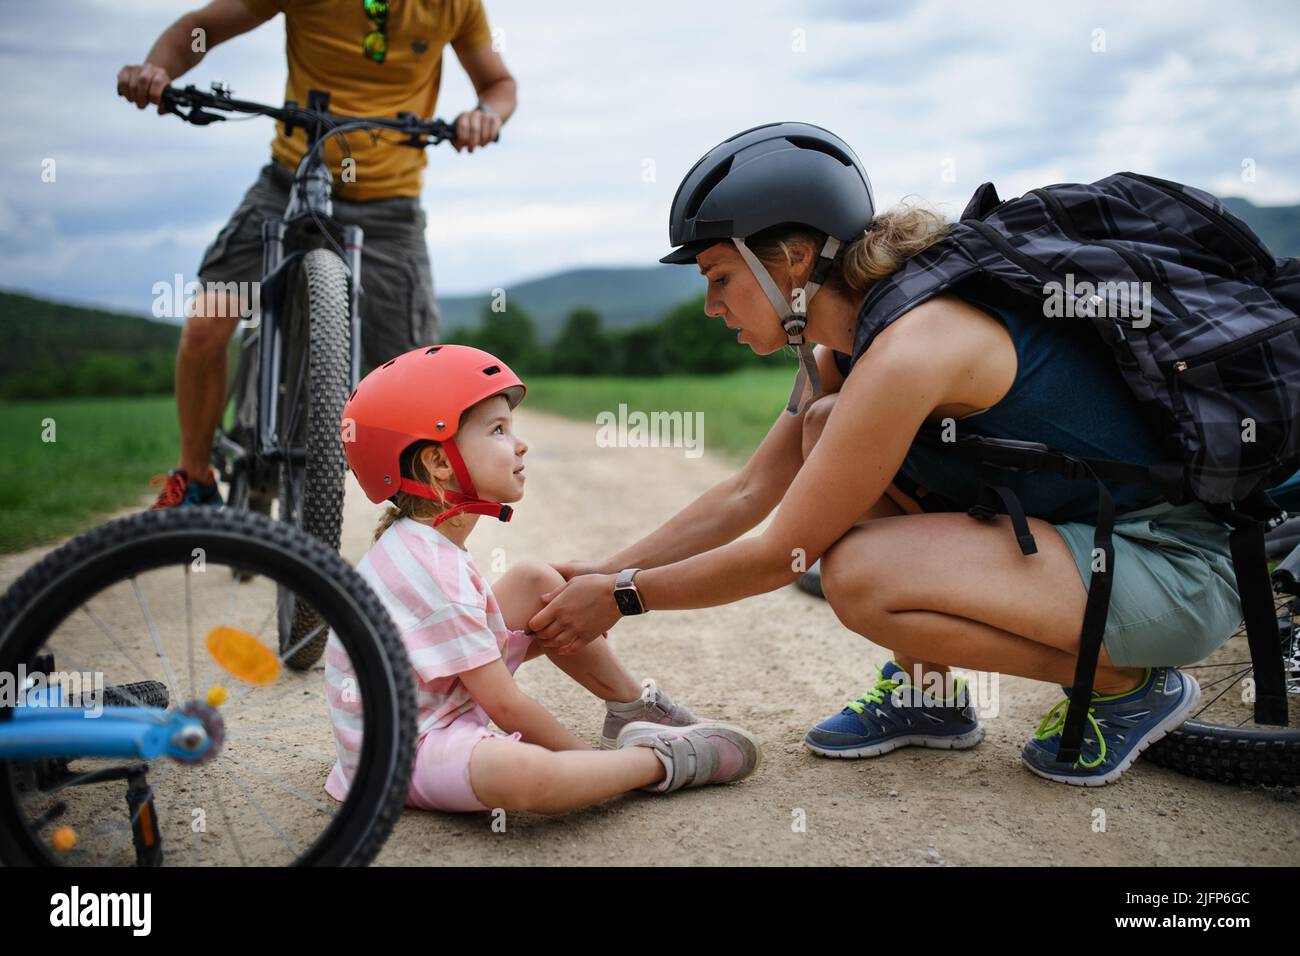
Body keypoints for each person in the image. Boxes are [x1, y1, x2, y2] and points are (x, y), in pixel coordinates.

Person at [525, 122, 1243, 786]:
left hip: (1171, 565)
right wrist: (607, 569)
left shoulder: (912, 347)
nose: (712, 307)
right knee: (823, 427)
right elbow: (749, 493)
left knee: (859, 576)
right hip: (1087, 544)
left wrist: (625, 597)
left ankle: (1128, 688)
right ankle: (926, 693)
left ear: (796, 261)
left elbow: (786, 554)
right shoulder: (846, 345)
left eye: (720, 279)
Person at [324, 344, 761, 812]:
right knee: (530, 777)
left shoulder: (421, 542)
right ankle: (655, 761)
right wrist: (587, 768)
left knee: (537, 580)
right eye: (497, 430)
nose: (520, 444)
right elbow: (505, 706)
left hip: (434, 698)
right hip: (409, 749)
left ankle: (630, 708)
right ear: (440, 463)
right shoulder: (432, 570)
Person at [116, 0, 516, 508]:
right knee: (206, 322)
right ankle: (193, 476)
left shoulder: (453, 4)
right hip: (289, 181)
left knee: (420, 380)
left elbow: (499, 84)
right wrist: (158, 70)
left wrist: (486, 114)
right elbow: (201, 28)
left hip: (389, 207)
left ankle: (422, 542)